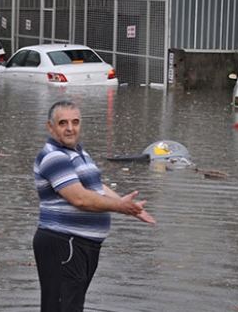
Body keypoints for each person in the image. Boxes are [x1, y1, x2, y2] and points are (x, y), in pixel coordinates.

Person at [33, 100, 156, 312]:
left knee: (70, 306)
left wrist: (129, 206)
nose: (70, 128)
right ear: (50, 126)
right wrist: (119, 207)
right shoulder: (54, 156)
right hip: (64, 243)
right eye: (63, 123)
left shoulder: (78, 152)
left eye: (75, 122)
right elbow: (80, 198)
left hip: (80, 245)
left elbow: (97, 187)